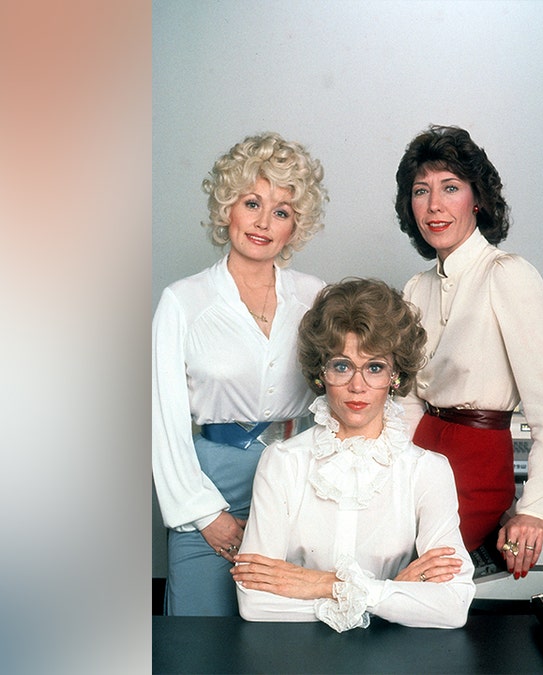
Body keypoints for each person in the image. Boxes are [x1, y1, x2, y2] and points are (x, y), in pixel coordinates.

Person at [231, 278, 474, 631]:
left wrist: (323, 584)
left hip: (389, 658)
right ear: (321, 373)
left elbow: (453, 607)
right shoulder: (283, 462)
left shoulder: (427, 471)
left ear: (395, 376)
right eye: (342, 366)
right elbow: (255, 601)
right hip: (295, 654)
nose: (357, 385)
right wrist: (394, 594)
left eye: (374, 367)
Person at [152, 132, 328, 616]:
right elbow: (161, 423)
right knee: (199, 642)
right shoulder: (183, 302)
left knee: (286, 646)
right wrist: (205, 514)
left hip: (300, 485)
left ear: (296, 226)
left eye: (282, 211)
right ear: (227, 206)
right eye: (252, 203)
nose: (263, 223)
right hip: (210, 489)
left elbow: (343, 396)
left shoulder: (317, 298)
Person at [394, 125, 543, 580]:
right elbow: (407, 400)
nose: (434, 205)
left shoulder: (508, 275)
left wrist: (533, 510)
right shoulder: (416, 288)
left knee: (424, 577)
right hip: (418, 453)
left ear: (477, 199)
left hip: (477, 461)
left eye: (450, 188)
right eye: (421, 191)